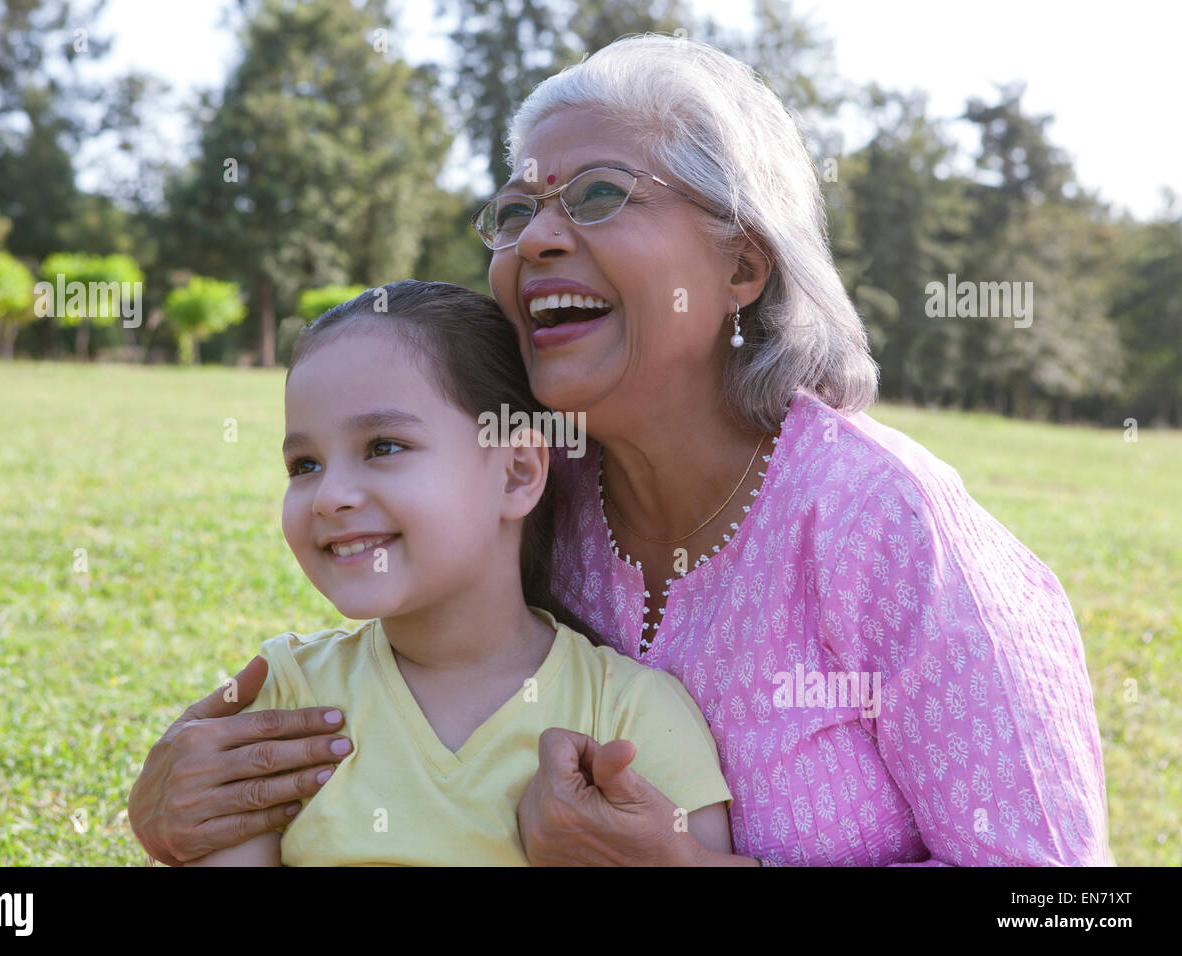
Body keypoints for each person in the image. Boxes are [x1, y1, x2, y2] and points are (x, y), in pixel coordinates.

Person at [130, 34, 1109, 866]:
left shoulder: (889, 524)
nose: (536, 239)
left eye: (597, 194)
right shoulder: (539, 485)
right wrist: (173, 806)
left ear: (739, 262)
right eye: (515, 212)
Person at [182, 279, 733, 865]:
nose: (329, 496)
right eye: (305, 464)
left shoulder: (629, 715)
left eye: (384, 446)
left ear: (517, 472)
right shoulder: (284, 700)